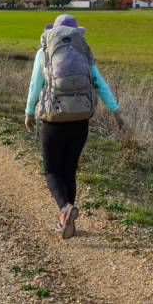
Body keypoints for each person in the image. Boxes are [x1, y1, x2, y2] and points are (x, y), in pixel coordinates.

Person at [24, 13, 124, 239]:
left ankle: (64, 209)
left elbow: (35, 84)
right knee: (69, 170)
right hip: (80, 120)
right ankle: (68, 223)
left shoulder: (45, 52)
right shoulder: (83, 52)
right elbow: (100, 84)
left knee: (51, 170)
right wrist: (116, 112)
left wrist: (29, 112)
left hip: (54, 119)